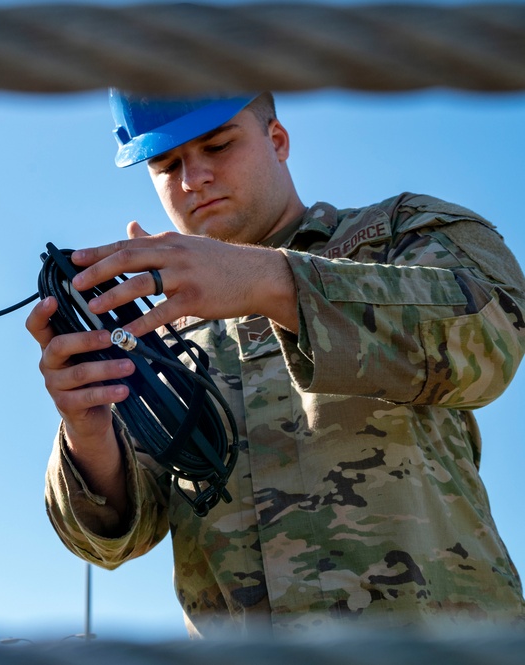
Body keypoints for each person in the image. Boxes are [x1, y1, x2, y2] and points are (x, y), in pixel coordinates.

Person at [28, 90, 525, 637]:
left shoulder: (402, 232)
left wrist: (267, 281)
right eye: (167, 165)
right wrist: (89, 429)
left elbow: (494, 332)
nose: (193, 179)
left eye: (218, 145)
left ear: (278, 140)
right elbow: (110, 540)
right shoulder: (154, 337)